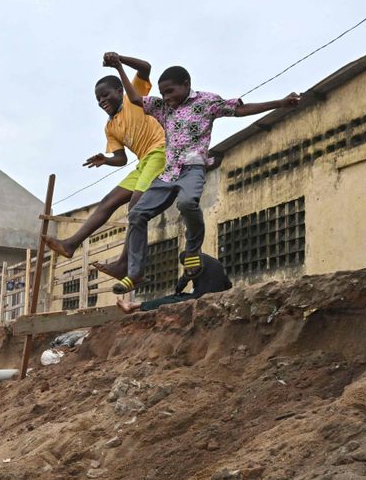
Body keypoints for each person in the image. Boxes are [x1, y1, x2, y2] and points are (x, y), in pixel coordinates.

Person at [106, 53, 300, 294]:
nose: (167, 98)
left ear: (186, 85)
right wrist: (119, 67)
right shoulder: (162, 107)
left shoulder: (206, 102)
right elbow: (135, 98)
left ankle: (193, 250)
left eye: (171, 91)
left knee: (187, 203)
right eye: (163, 93)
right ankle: (135, 273)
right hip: (168, 173)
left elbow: (240, 110)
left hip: (193, 168)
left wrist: (279, 103)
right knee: (136, 214)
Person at [41, 53, 167, 280]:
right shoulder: (110, 127)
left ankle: (125, 264)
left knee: (136, 207)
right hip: (143, 163)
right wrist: (106, 160)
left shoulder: (133, 97)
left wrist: (119, 64)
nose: (101, 101)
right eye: (98, 99)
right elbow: (122, 158)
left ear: (119, 91)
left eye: (105, 95)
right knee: (108, 201)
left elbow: (146, 67)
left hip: (160, 152)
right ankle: (70, 244)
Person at [116, 251, 231, 313]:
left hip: (202, 297)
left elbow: (183, 280)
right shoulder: (215, 262)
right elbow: (228, 284)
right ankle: (133, 305)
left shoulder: (192, 261)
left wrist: (177, 292)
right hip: (217, 296)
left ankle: (133, 305)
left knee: (170, 300)